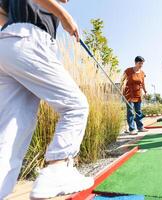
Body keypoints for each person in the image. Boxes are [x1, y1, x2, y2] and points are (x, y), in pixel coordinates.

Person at [0, 0, 94, 199]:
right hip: (30, 40)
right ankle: (57, 169)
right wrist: (64, 16)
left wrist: (13, 26)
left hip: (7, 44)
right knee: (75, 106)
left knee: (12, 128)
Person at [121, 56, 148, 135]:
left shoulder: (142, 73)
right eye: (139, 63)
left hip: (138, 94)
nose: (141, 65)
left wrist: (145, 91)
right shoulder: (128, 71)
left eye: (142, 64)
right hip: (129, 94)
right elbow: (122, 81)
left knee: (138, 111)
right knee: (130, 112)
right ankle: (132, 129)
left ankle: (140, 127)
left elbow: (142, 83)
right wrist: (122, 92)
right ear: (135, 62)